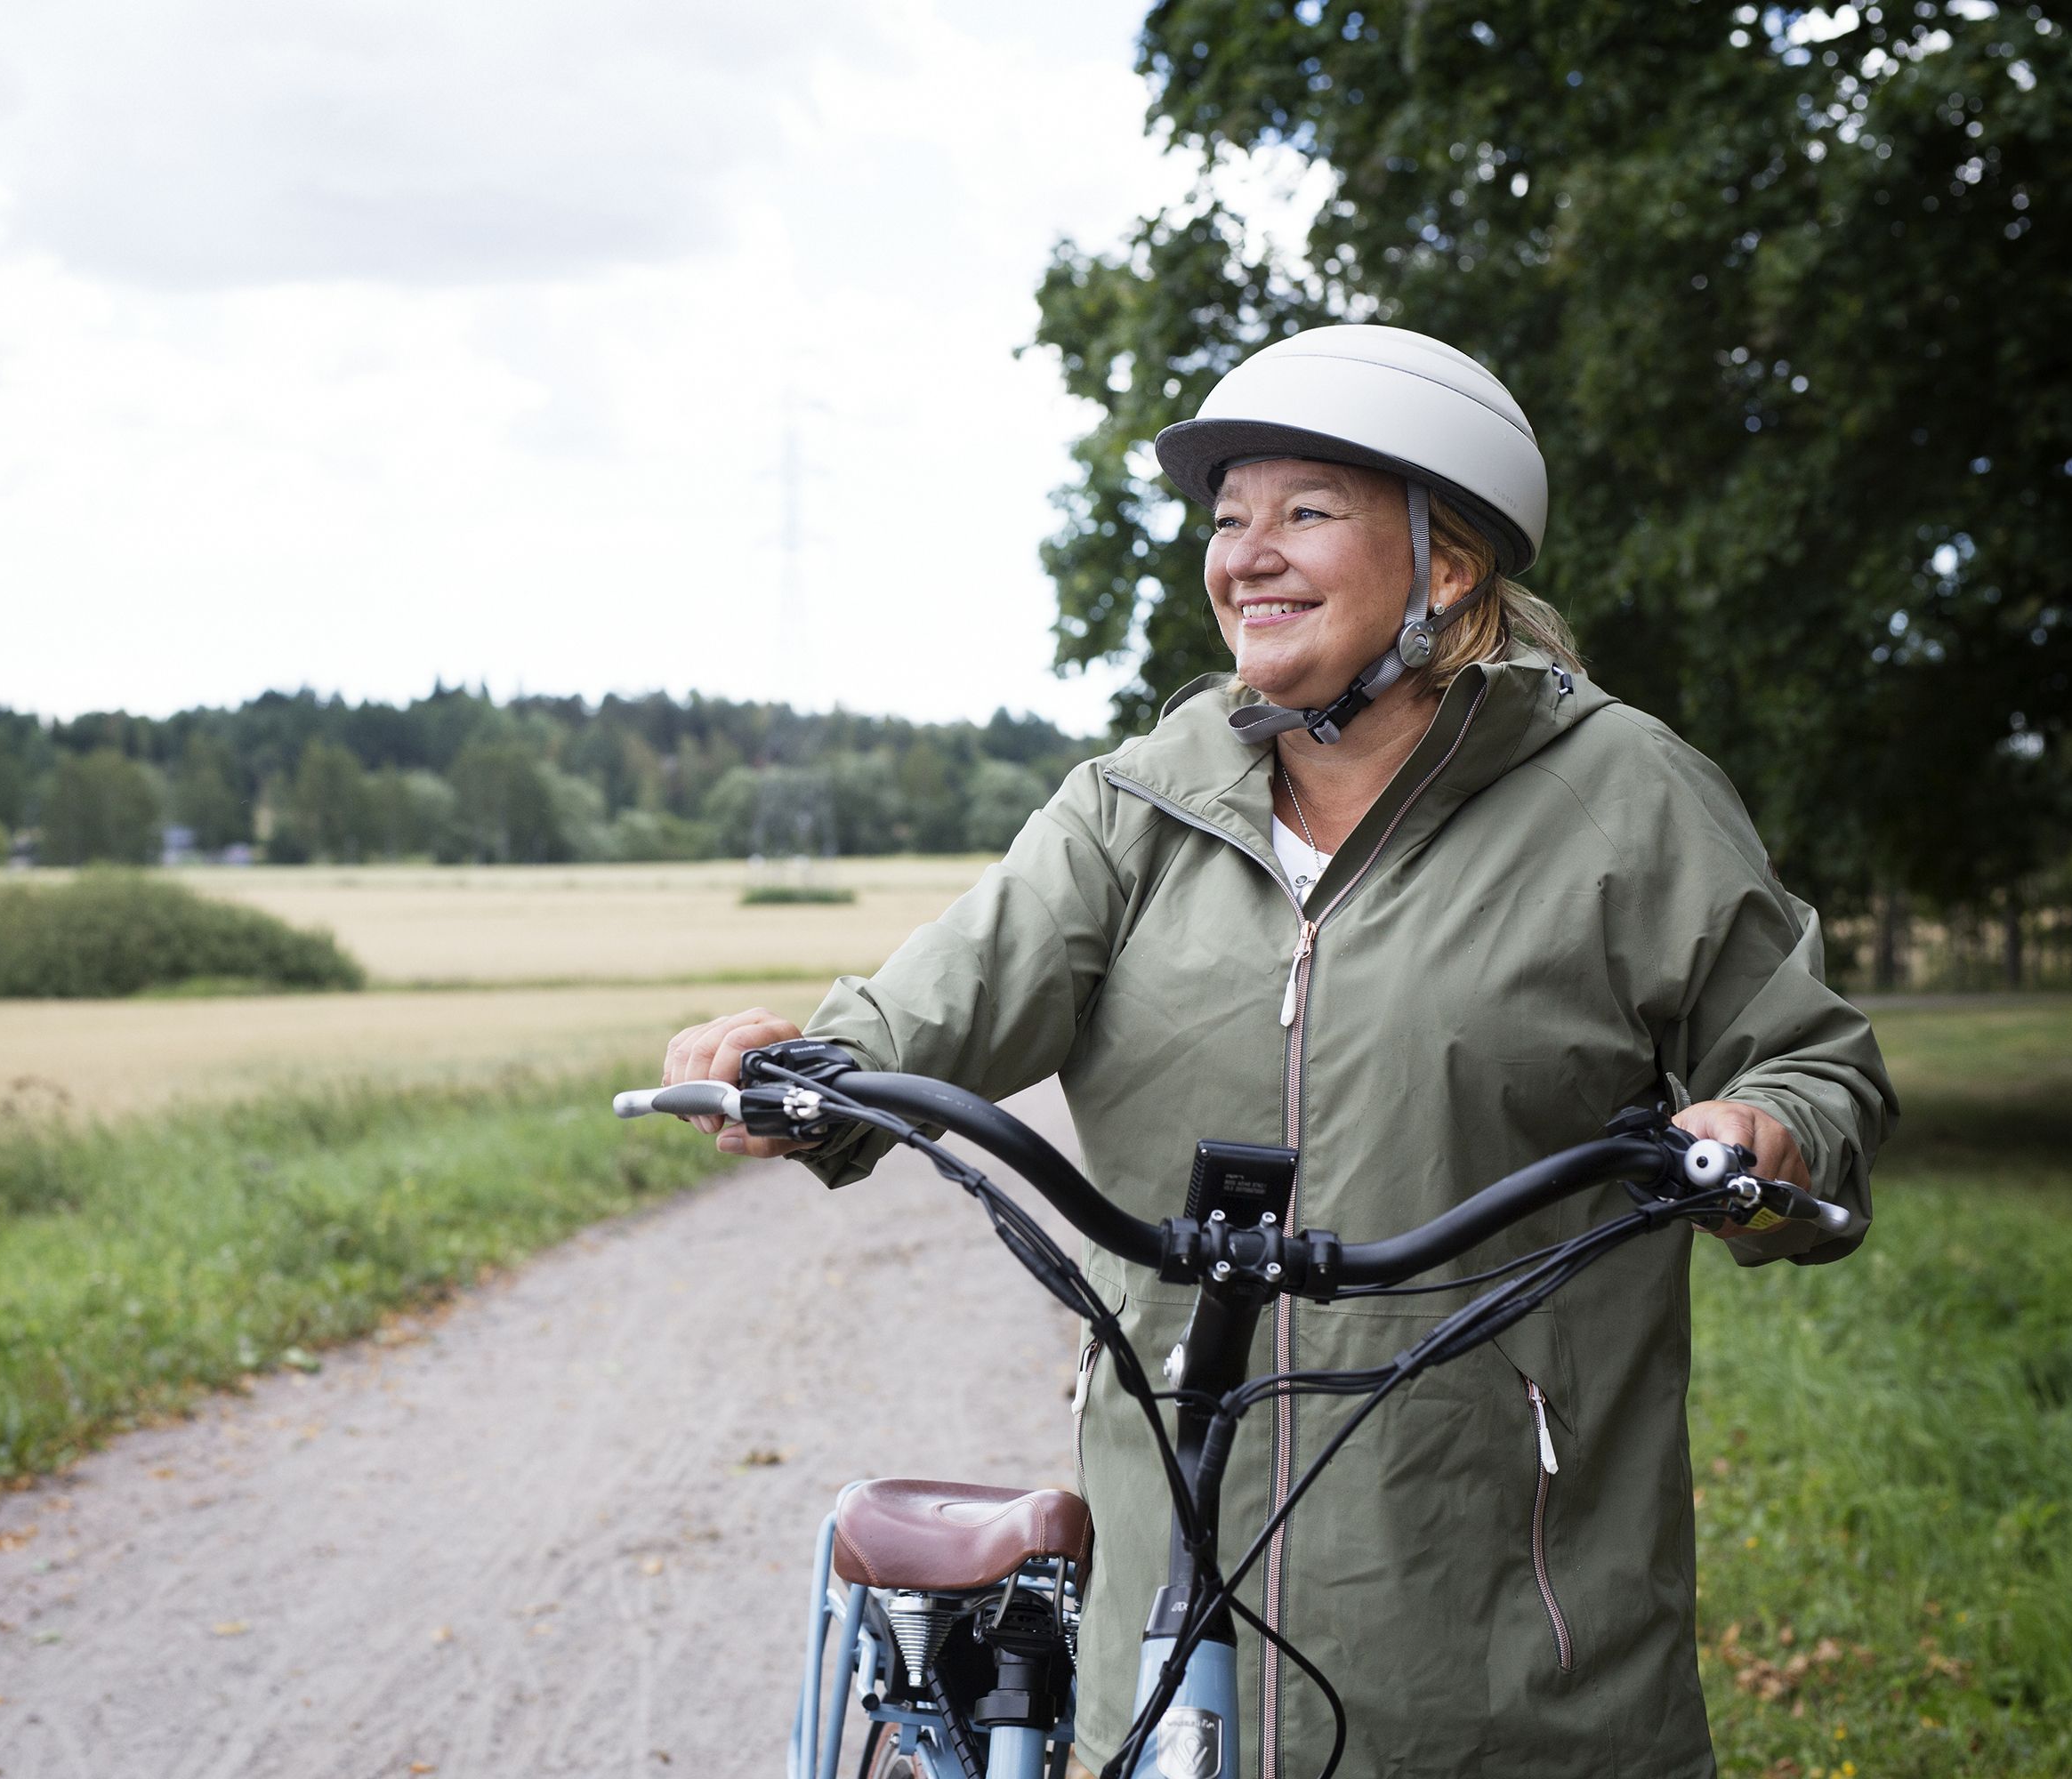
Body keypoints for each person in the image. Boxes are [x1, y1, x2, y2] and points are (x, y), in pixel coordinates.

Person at [659, 324, 1893, 1778]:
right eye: (1230, 517)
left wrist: (1765, 1128)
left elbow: (1813, 1060)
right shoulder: (1140, 804)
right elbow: (954, 993)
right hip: (1178, 1536)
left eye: (1306, 511)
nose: (1249, 552)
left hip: (1498, 1581)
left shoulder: (1622, 796)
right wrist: (811, 1068)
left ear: (1445, 566)